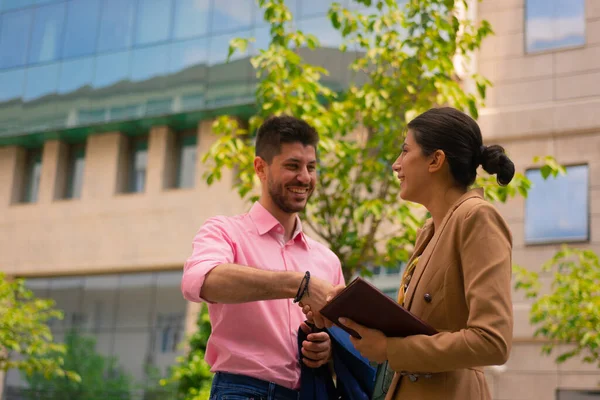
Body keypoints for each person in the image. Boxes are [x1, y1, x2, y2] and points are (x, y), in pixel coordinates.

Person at [333, 107, 515, 399]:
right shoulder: (429, 232)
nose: (396, 164)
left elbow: (492, 341)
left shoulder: (476, 218)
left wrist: (390, 349)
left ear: (436, 160)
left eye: (405, 151)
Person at [181, 115, 345, 400]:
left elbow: (343, 336)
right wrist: (299, 284)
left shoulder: (327, 259)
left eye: (311, 167)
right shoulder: (225, 232)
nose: (305, 177)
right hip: (244, 391)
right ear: (261, 168)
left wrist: (327, 349)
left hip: (312, 392)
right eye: (293, 166)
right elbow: (201, 281)